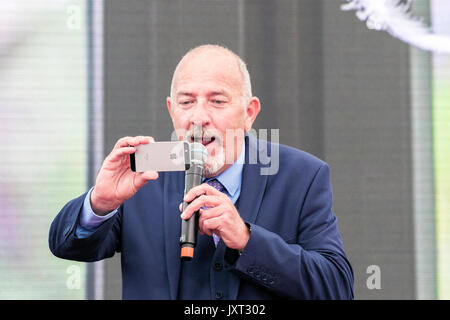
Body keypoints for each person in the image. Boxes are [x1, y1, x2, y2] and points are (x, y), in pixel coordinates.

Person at [49, 44, 354, 299]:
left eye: (217, 101)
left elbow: (336, 287)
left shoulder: (301, 176)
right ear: (172, 110)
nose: (198, 117)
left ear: (249, 113)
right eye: (186, 102)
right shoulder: (144, 173)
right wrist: (101, 202)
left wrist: (247, 240)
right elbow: (66, 246)